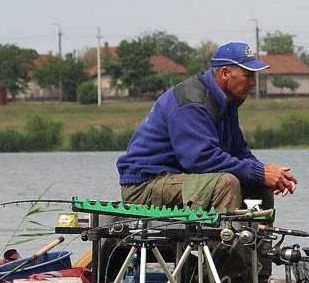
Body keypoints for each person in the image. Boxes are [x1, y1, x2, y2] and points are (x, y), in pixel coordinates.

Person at [116, 42, 297, 212]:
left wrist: (267, 173)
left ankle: (254, 243)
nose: (253, 83)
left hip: (180, 177)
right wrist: (260, 173)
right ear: (225, 73)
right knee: (226, 183)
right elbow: (201, 159)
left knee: (259, 185)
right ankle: (226, 245)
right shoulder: (193, 102)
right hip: (146, 185)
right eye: (248, 75)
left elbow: (239, 152)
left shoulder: (226, 102)